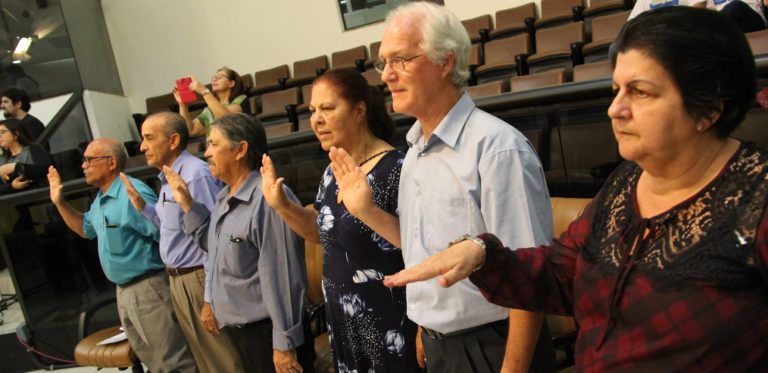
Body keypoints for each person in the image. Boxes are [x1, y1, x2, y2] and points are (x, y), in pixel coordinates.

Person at [385, 6, 768, 371]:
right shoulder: (624, 185)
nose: (615, 109)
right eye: (617, 90)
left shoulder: (756, 200)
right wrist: (482, 253)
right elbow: (561, 275)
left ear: (709, 107)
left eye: (641, 92)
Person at [374, 2, 555, 372]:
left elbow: (530, 274)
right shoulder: (414, 153)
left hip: (494, 346)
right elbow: (426, 254)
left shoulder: (496, 148)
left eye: (400, 60)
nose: (387, 76)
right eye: (383, 63)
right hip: (441, 345)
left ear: (444, 62)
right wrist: (428, 325)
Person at [260, 68, 420, 372]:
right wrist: (281, 205)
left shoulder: (398, 168)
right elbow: (321, 232)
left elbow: (422, 247)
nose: (316, 119)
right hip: (345, 321)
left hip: (390, 321)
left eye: (327, 108)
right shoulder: (332, 171)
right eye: (312, 111)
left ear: (359, 110)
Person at [166, 113, 314, 373]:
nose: (207, 153)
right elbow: (214, 248)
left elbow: (283, 275)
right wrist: (188, 204)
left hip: (269, 334)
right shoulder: (225, 196)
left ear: (240, 150)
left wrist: (283, 343)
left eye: (213, 144)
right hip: (242, 333)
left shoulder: (267, 197)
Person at [47, 138, 197, 372]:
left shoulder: (130, 192)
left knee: (174, 361)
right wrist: (60, 203)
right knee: (153, 361)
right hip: (124, 291)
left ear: (111, 163)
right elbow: (85, 229)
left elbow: (165, 233)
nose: (83, 165)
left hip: (148, 287)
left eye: (89, 160)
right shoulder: (101, 198)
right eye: (83, 160)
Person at [119, 112, 243, 373]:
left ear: (173, 140)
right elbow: (170, 229)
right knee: (205, 360)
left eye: (149, 138)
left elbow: (214, 237)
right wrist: (143, 207)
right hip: (179, 282)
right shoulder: (167, 179)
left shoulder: (195, 175)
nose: (142, 147)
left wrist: (209, 298)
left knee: (223, 359)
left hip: (199, 278)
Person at [174, 66, 246, 138]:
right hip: (212, 148)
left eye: (219, 77)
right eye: (213, 77)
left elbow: (227, 119)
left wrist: (203, 90)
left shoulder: (241, 99)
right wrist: (182, 104)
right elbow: (190, 131)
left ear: (231, 83)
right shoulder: (209, 110)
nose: (214, 79)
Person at [0, 118, 51, 194]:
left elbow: (46, 170)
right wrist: (12, 186)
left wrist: (17, 167)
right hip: (15, 201)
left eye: (2, 132)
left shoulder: (34, 149)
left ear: (16, 134)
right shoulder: (2, 160)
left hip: (40, 195)